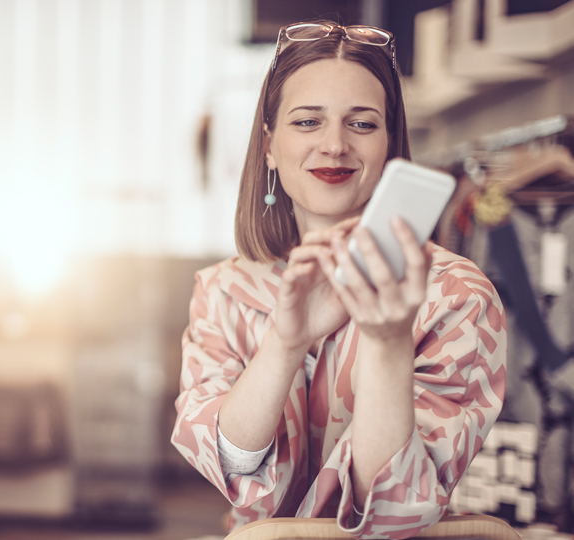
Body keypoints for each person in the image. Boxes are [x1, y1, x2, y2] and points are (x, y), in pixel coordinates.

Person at [172, 20, 506, 540]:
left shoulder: (456, 295)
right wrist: (285, 344)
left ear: (391, 145)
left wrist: (387, 340)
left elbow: (393, 507)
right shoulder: (222, 290)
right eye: (307, 122)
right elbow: (231, 467)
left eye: (363, 124)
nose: (334, 146)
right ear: (268, 148)